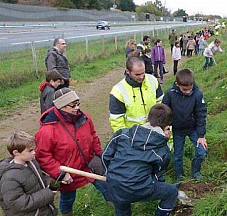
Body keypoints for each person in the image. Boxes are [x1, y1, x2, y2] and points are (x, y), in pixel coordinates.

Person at [34, 88, 109, 216]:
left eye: (78, 104)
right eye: (72, 105)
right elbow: (43, 156)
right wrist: (60, 174)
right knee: (68, 198)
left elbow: (93, 137)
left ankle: (118, 207)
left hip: (89, 164)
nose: (77, 108)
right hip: (69, 171)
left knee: (108, 187)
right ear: (60, 107)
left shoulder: (84, 118)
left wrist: (101, 155)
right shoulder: (46, 131)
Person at [102, 103, 178, 216]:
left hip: (114, 184)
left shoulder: (122, 134)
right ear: (167, 127)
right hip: (139, 188)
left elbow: (105, 156)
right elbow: (157, 175)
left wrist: (109, 174)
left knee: (122, 209)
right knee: (172, 192)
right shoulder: (162, 150)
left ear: (148, 118)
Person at [162, 69, 208, 182]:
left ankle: (195, 172)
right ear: (177, 84)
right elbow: (164, 111)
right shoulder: (170, 94)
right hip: (177, 130)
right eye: (184, 90)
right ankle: (179, 176)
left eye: (190, 89)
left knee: (202, 152)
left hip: (194, 129)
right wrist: (165, 126)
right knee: (178, 155)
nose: (187, 92)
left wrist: (201, 135)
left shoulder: (198, 94)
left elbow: (201, 114)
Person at [0, 131, 58, 216]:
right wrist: (48, 193)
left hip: (44, 210)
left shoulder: (31, 162)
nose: (34, 152)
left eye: (34, 149)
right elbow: (18, 204)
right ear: (16, 153)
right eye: (30, 150)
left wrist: (50, 182)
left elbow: (40, 176)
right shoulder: (9, 178)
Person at [109, 56, 163, 133]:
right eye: (137, 74)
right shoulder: (118, 91)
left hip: (155, 131)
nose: (141, 77)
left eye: (143, 73)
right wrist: (125, 140)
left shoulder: (152, 80)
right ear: (127, 71)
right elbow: (117, 121)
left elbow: (161, 104)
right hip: (133, 136)